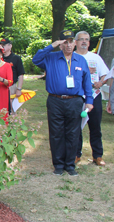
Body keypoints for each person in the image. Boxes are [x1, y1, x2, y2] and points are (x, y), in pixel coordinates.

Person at [32, 30, 93, 177]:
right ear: (60, 44)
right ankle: (58, 165)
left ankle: (70, 165)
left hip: (75, 101)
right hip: (55, 100)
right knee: (56, 133)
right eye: (65, 42)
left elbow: (87, 82)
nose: (68, 45)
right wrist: (51, 46)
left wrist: (89, 101)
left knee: (73, 133)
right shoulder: (51, 58)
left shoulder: (80, 60)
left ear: (75, 43)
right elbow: (36, 59)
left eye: (71, 41)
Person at [74, 31, 109, 166]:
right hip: (78, 96)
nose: (84, 42)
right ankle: (76, 154)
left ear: (89, 43)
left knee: (95, 126)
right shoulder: (73, 57)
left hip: (94, 95)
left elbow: (105, 74)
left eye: (86, 40)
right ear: (76, 42)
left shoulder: (96, 58)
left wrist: (101, 82)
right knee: (76, 126)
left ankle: (98, 156)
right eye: (81, 39)